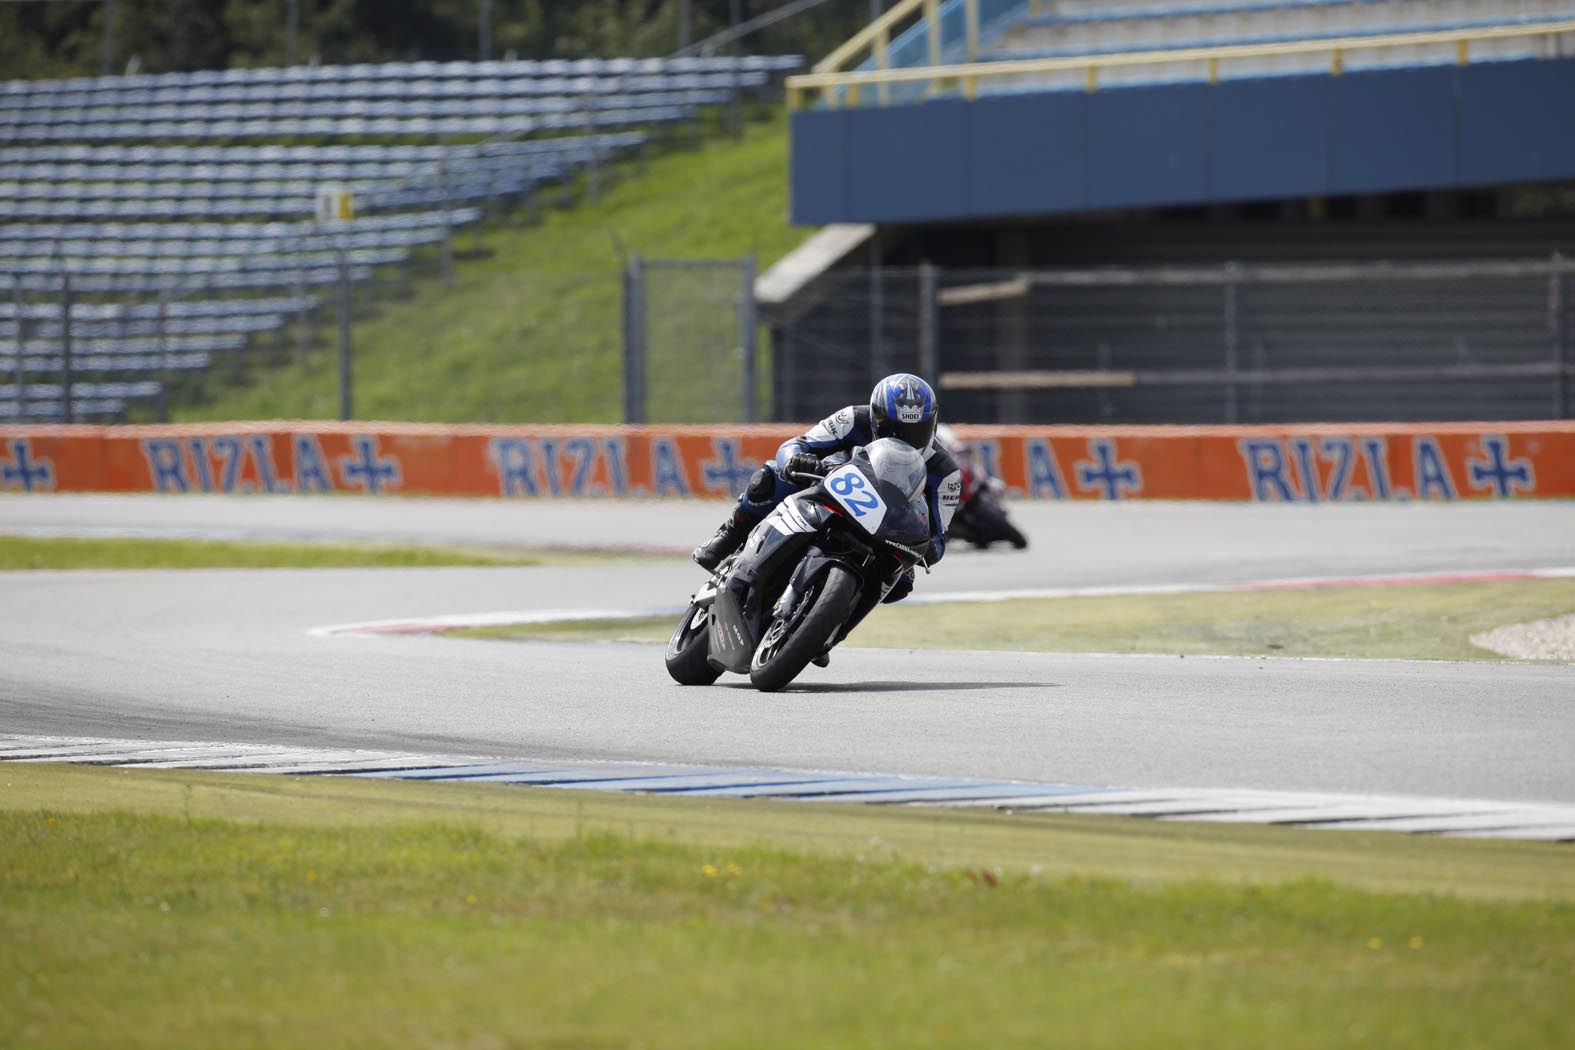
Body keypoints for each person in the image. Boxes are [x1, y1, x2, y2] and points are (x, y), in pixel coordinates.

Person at [692, 373, 962, 603]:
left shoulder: (945, 471)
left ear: (933, 424)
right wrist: (797, 460)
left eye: (916, 430)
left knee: (900, 583)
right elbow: (796, 445)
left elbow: (938, 540)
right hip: (832, 485)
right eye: (894, 429)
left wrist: (924, 545)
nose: (903, 439)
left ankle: (832, 621)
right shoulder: (853, 418)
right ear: (876, 418)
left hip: (887, 524)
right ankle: (729, 534)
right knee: (770, 478)